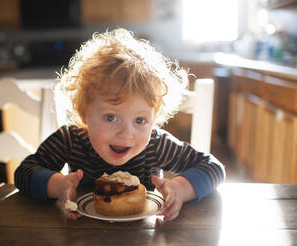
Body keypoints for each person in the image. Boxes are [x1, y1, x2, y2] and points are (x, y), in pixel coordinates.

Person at [14, 28, 225, 222]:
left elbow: (213, 168)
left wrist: (180, 188)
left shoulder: (156, 144)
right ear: (84, 113)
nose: (126, 134)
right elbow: (23, 173)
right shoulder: (71, 140)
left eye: (140, 121)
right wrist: (58, 185)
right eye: (111, 117)